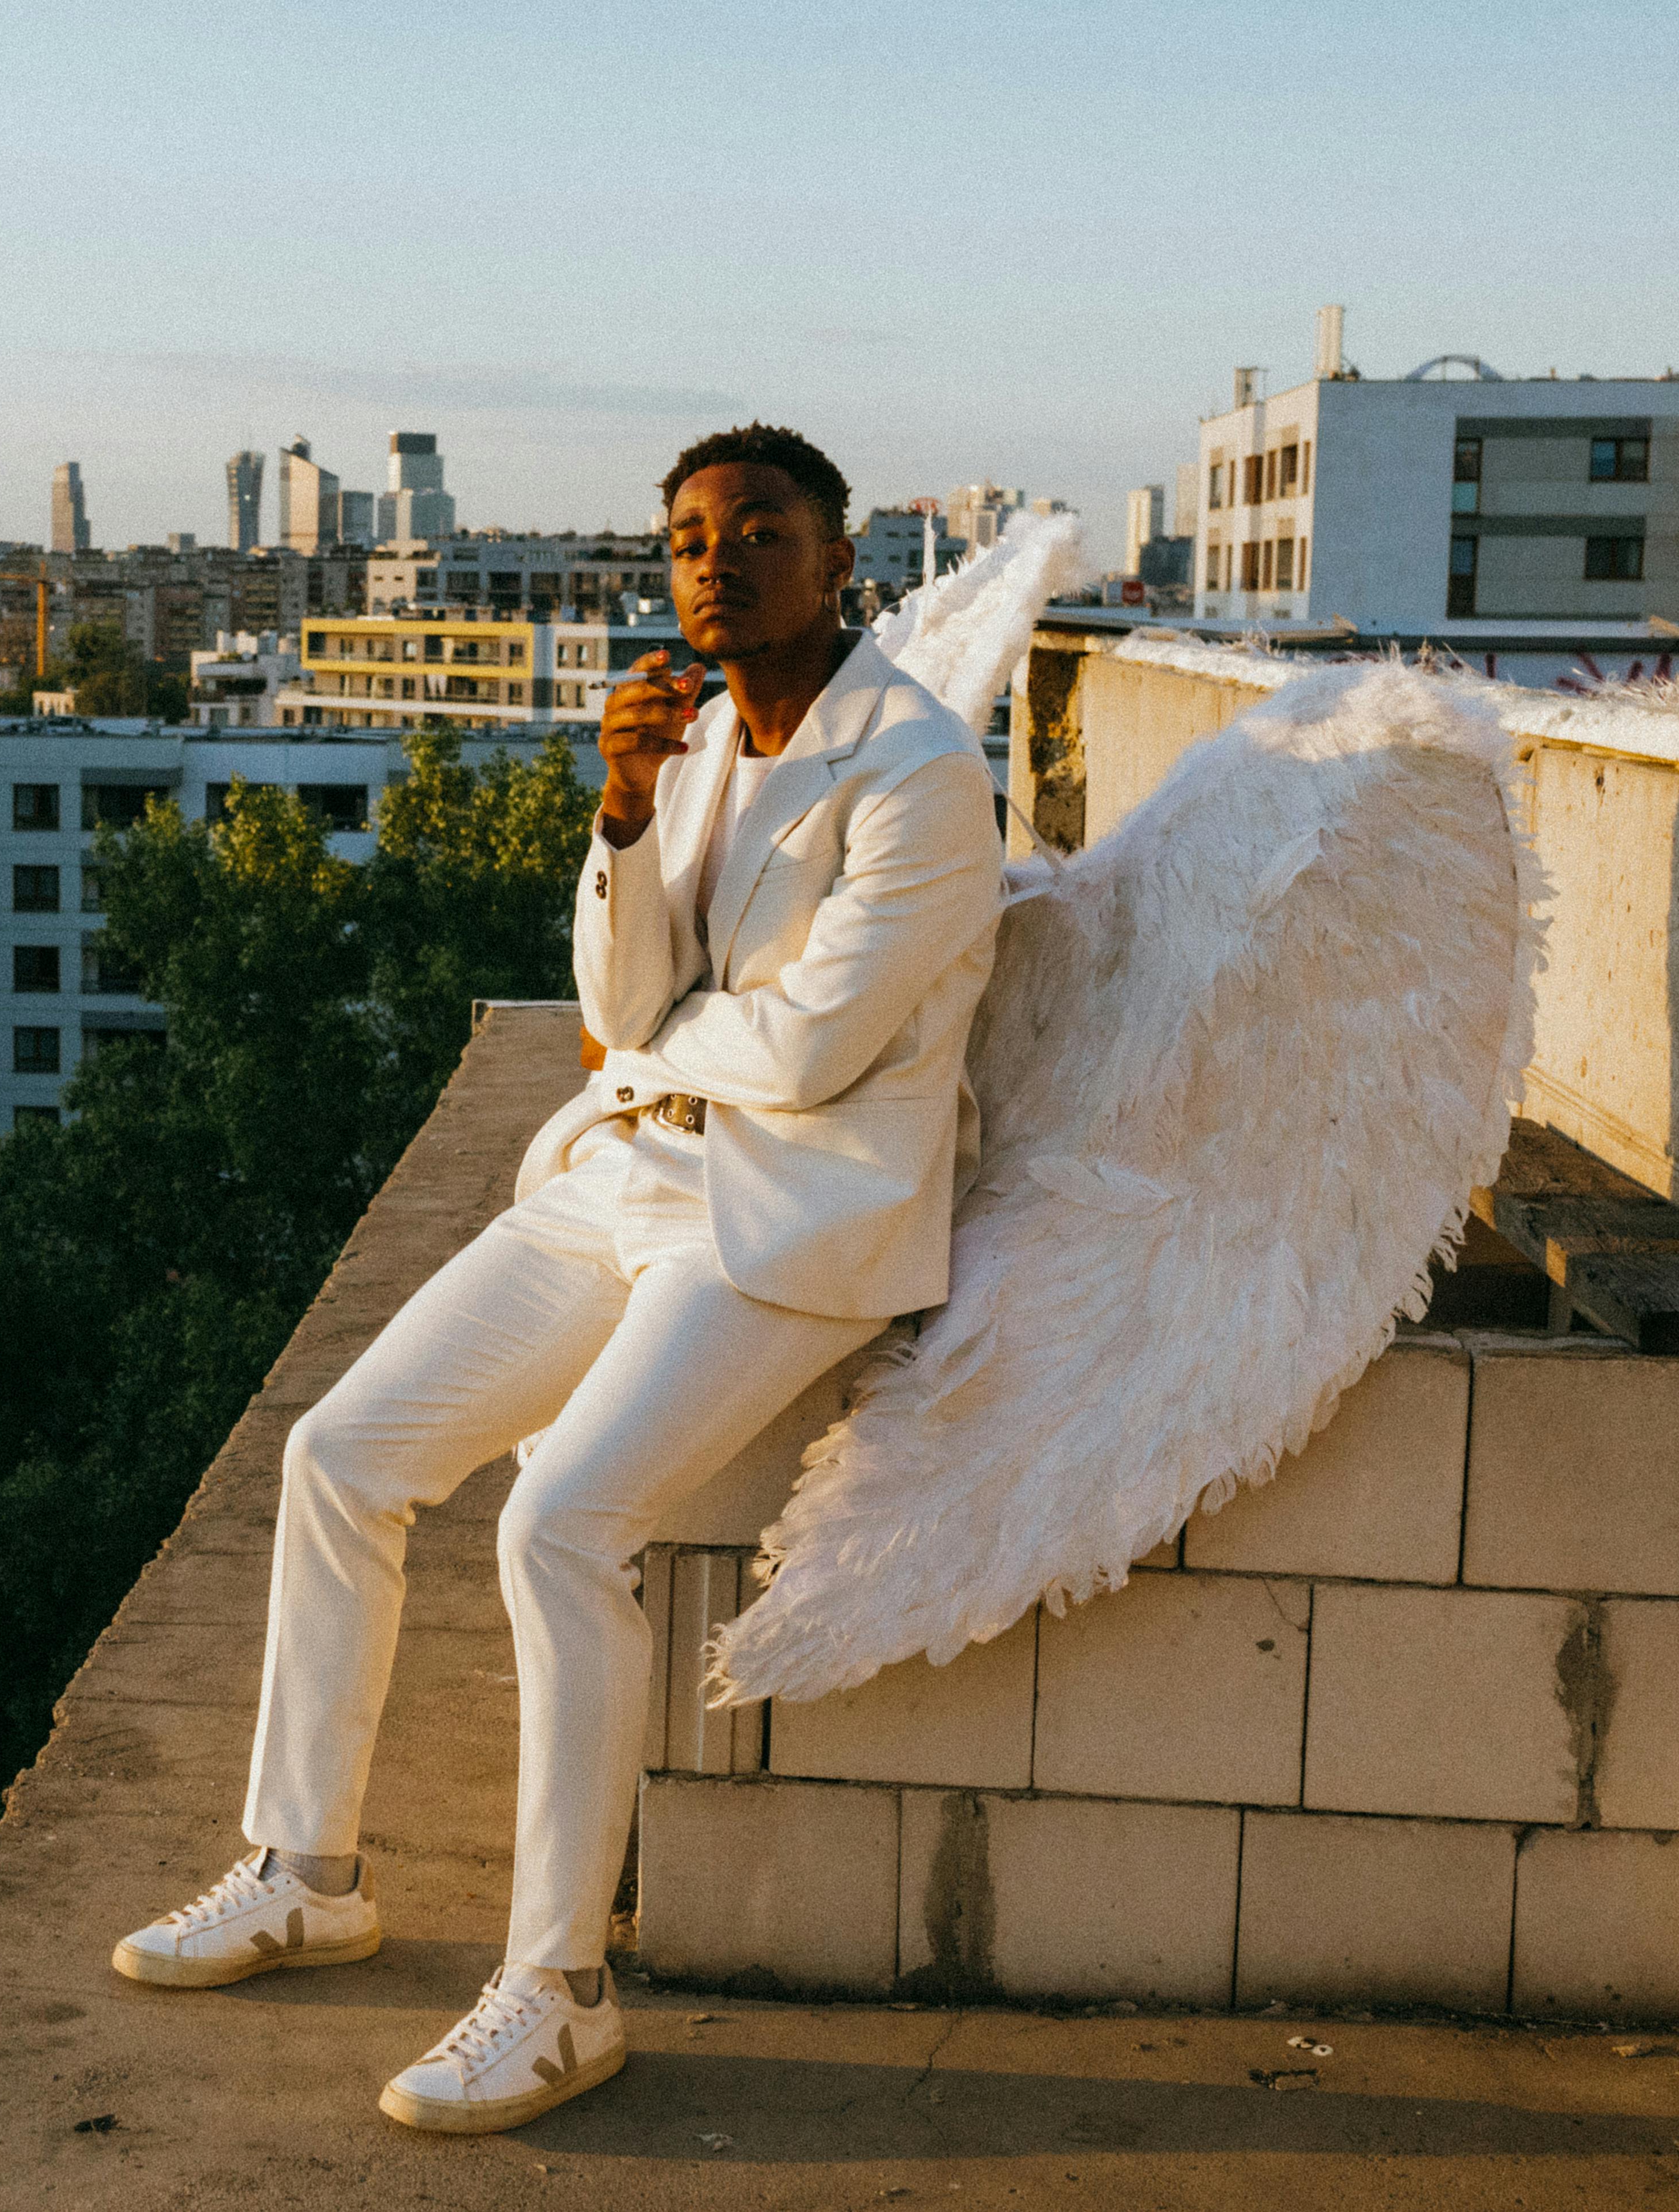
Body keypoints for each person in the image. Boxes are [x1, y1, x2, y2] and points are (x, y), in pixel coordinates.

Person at [108, 424, 1008, 2133]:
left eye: (759, 531)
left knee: (557, 1521)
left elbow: (817, 1054)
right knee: (339, 1458)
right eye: (685, 537)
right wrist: (616, 815)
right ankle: (304, 1869)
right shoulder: (692, 743)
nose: (714, 560)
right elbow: (613, 983)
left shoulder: (919, 770)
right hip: (629, 1169)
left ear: (840, 561)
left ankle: (561, 1988)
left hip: (790, 1214)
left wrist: (655, 1034)